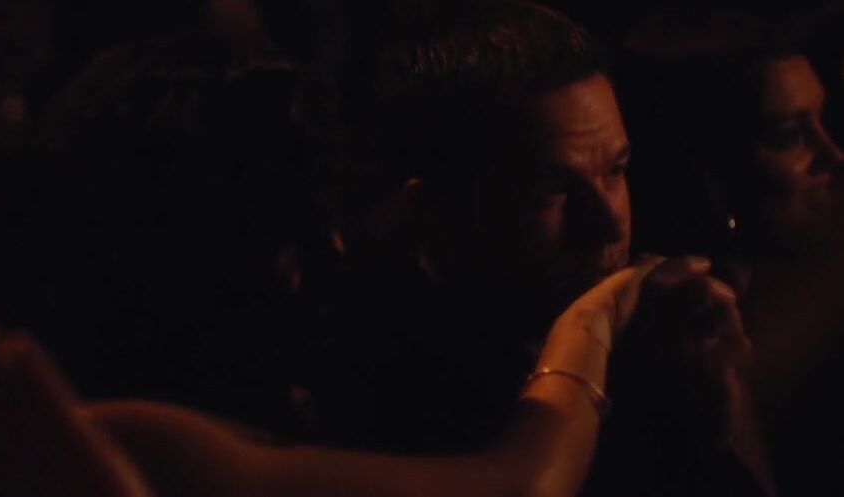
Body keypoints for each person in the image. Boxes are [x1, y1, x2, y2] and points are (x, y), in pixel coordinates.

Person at [80, 2, 749, 496]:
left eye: (616, 169)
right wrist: (591, 327)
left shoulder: (651, 346)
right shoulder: (383, 396)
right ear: (428, 214)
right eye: (549, 189)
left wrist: (712, 410)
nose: (606, 222)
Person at [617, 7, 844, 495]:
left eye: (824, 120)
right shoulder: (671, 339)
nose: (834, 155)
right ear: (712, 171)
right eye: (789, 136)